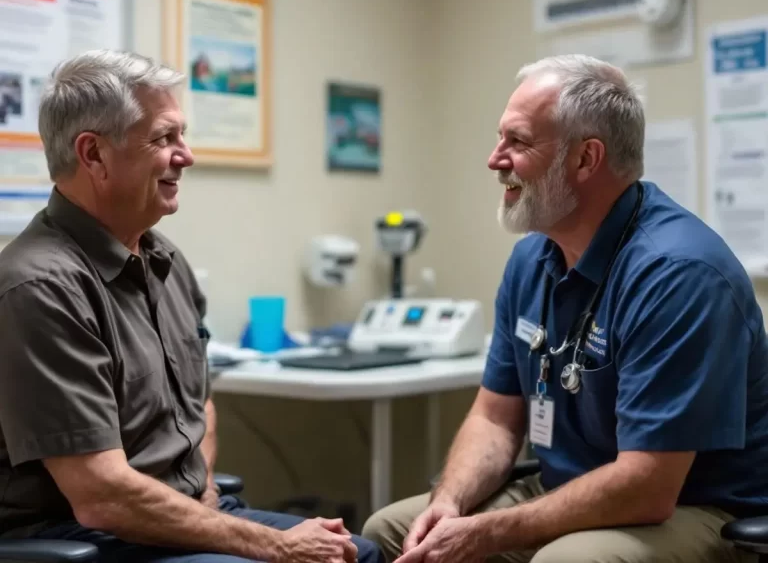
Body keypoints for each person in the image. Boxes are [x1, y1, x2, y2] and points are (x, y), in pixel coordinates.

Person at [362, 54, 768, 563]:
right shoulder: (532, 257)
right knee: (390, 531)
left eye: (519, 141)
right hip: (566, 490)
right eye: (499, 138)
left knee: (564, 561)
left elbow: (647, 486)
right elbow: (495, 417)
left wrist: (489, 532)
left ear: (585, 159)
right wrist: (451, 502)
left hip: (694, 507)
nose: (495, 159)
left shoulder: (679, 274)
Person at [0, 49, 383, 563]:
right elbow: (100, 494)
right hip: (84, 533)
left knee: (360, 552)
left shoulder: (164, 259)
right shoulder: (41, 287)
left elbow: (198, 402)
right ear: (93, 154)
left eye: (182, 135)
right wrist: (277, 546)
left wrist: (203, 496)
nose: (186, 155)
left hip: (174, 514)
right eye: (163, 138)